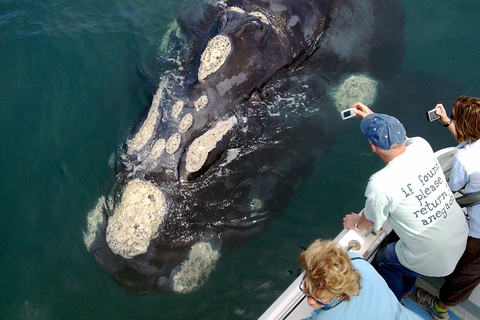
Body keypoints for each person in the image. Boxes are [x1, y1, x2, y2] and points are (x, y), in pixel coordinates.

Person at [342, 102, 468, 302]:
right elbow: (403, 140)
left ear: (373, 147)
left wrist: (356, 223)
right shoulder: (421, 145)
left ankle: (396, 299)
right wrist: (377, 119)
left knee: (385, 259)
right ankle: (408, 287)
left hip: (435, 257)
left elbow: (371, 221)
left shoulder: (381, 184)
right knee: (408, 258)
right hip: (460, 237)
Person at [416, 95, 480, 320]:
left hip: (479, 234)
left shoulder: (464, 158)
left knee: (466, 272)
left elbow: (452, 189)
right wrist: (447, 122)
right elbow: (472, 145)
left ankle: (439, 307)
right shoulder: (470, 151)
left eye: (455, 117)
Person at [299, 239, 423, 320]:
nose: (310, 301)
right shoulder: (357, 262)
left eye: (319, 299)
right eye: (307, 292)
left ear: (338, 294)